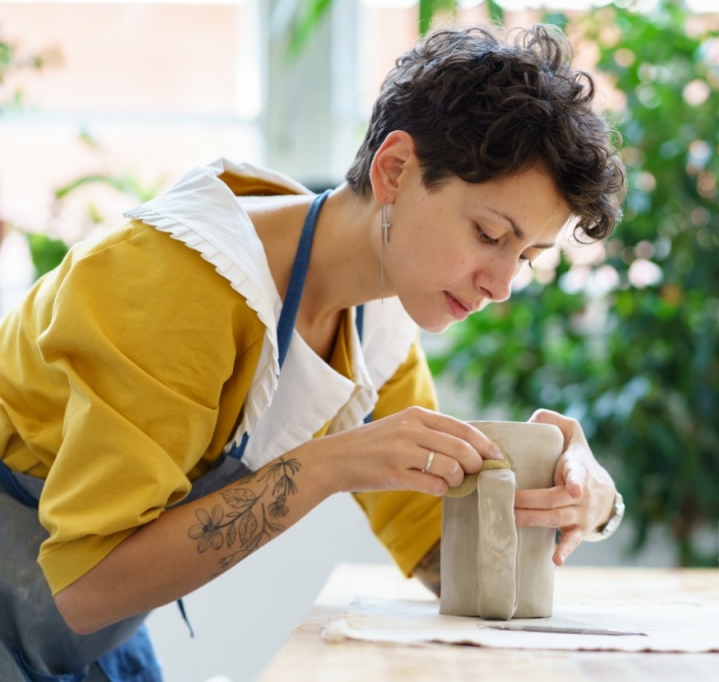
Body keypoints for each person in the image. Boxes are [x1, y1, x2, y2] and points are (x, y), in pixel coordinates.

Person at [0, 24, 626, 680]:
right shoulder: (179, 287)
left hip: (73, 647)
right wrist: (330, 465)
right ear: (395, 170)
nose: (500, 285)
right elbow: (87, 587)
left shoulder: (375, 325)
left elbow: (446, 555)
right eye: (488, 233)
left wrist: (579, 500)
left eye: (525, 256)